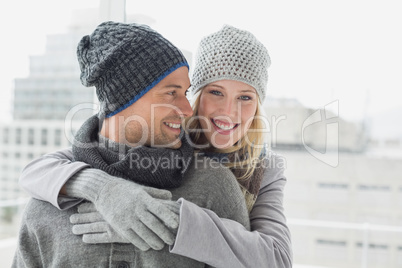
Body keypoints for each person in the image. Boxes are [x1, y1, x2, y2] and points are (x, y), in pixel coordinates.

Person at [16, 24, 292, 267]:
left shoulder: (261, 170)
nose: (229, 111)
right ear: (197, 96)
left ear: (258, 106)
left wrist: (159, 221)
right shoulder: (164, 135)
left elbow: (276, 260)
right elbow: (40, 171)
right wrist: (104, 190)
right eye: (216, 92)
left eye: (245, 97)